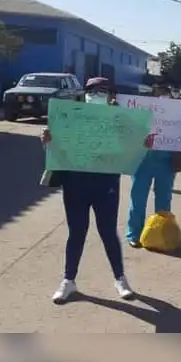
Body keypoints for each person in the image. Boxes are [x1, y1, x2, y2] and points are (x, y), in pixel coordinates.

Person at [41, 77, 155, 304]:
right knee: (76, 232)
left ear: (113, 96)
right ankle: (68, 280)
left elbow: (131, 149)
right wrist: (47, 140)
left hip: (106, 183)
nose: (98, 94)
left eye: (104, 91)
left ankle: (120, 279)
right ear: (85, 93)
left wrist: (143, 146)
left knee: (107, 231)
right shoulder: (71, 116)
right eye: (93, 90)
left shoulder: (122, 120)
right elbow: (58, 145)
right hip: (75, 182)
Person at [125, 88, 181, 248]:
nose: (163, 101)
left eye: (167, 99)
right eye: (159, 98)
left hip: (166, 162)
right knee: (138, 198)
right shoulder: (141, 114)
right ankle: (134, 234)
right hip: (143, 162)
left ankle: (162, 234)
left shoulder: (177, 115)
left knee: (164, 200)